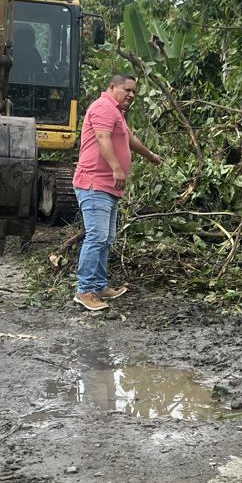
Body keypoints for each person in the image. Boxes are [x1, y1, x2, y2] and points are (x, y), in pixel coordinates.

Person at [71, 73, 162, 312]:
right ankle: (85, 290)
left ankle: (99, 286)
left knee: (107, 237)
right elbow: (103, 138)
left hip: (108, 187)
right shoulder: (103, 107)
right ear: (112, 87)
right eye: (127, 89)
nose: (131, 95)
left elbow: (129, 138)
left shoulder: (116, 112)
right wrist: (116, 169)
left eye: (134, 92)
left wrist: (150, 155)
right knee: (97, 236)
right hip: (94, 183)